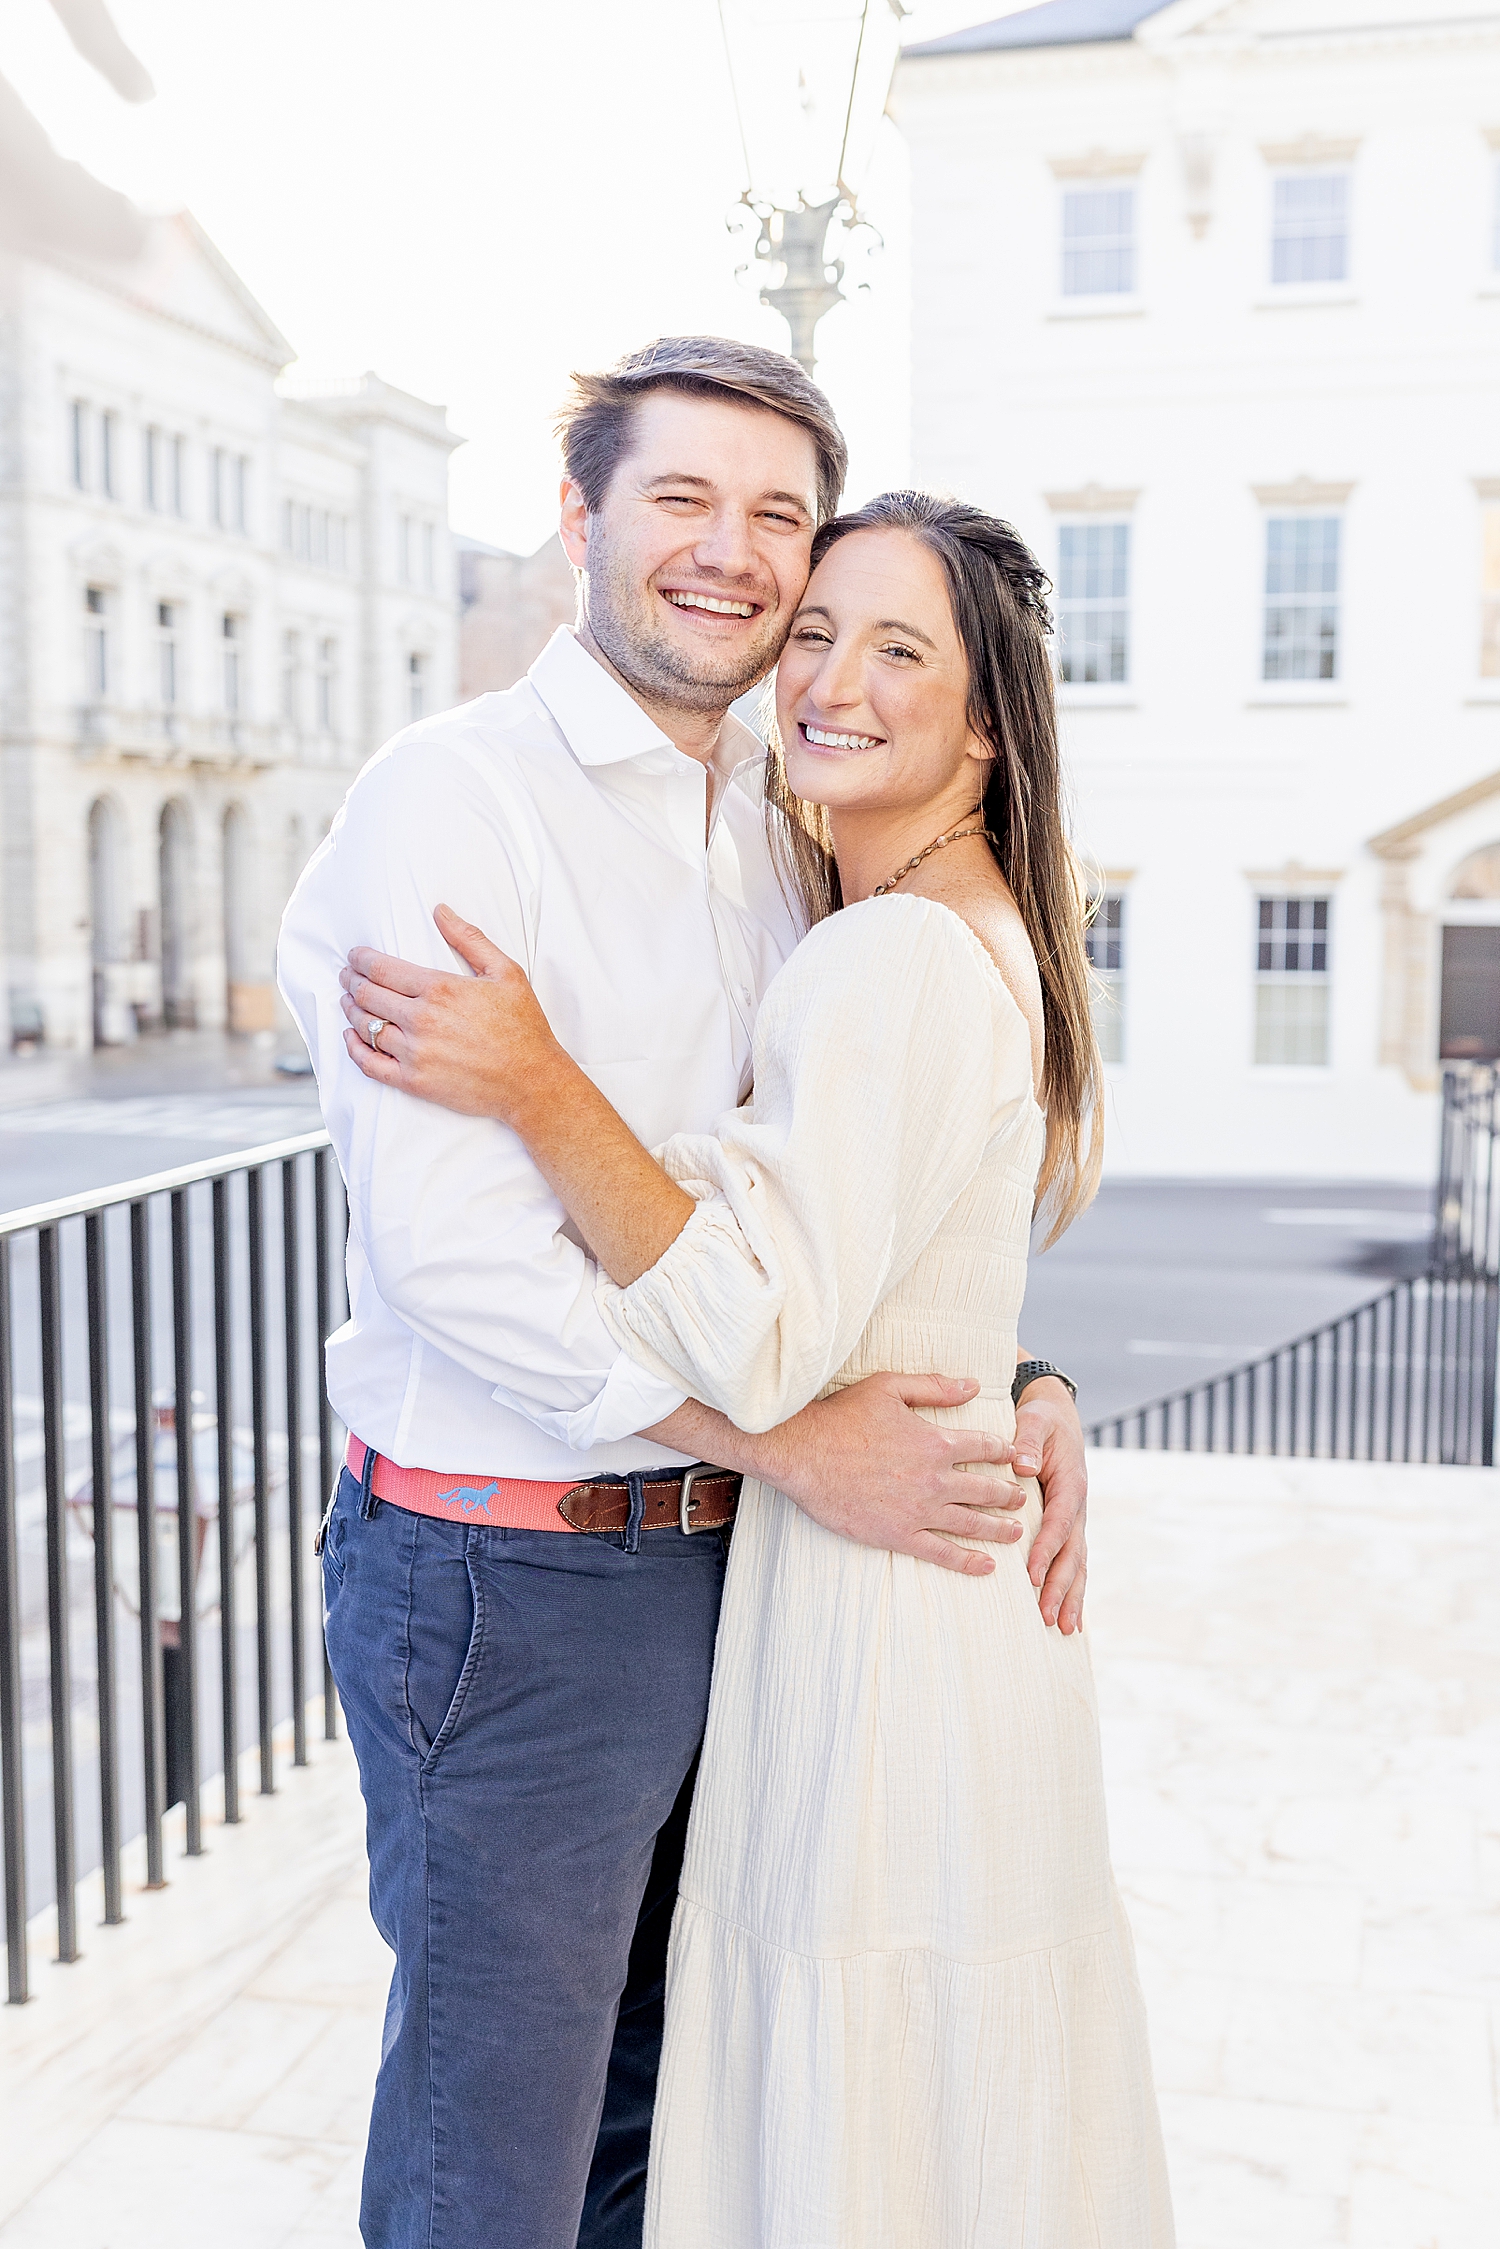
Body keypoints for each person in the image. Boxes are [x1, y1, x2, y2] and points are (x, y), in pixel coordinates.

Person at [278, 341, 1095, 2249]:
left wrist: (1010, 1369)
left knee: (674, 2137)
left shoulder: (781, 813)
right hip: (517, 1579)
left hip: (730, 1575)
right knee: (501, 2155)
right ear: (580, 517)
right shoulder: (454, 800)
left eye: (778, 521)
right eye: (682, 500)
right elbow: (457, 1262)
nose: (733, 558)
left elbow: (856, 1188)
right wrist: (801, 1443)